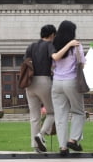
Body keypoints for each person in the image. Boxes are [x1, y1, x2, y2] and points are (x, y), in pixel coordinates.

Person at [51, 20, 85, 156]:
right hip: (71, 81)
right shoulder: (76, 45)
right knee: (78, 112)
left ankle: (63, 147)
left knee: (60, 116)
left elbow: (52, 63)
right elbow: (81, 63)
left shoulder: (53, 45)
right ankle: (73, 139)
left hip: (57, 82)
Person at [24, 24, 56, 153]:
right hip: (44, 80)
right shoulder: (49, 45)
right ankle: (40, 135)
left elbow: (25, 61)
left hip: (30, 83)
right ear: (52, 35)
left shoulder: (31, 46)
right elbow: (54, 60)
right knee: (52, 112)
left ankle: (35, 146)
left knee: (34, 116)